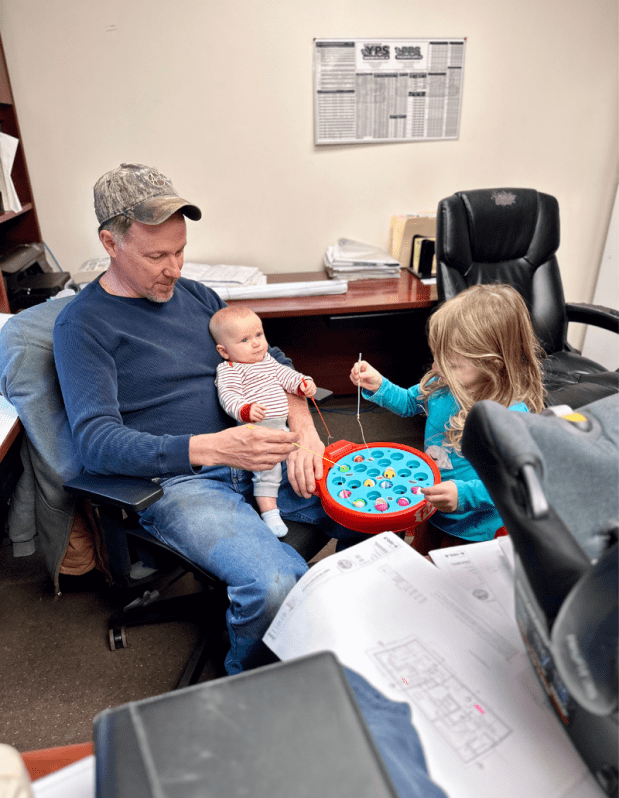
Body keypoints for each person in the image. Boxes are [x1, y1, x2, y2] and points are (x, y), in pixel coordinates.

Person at [53, 163, 361, 675]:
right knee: (275, 585)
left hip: (266, 451)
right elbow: (96, 443)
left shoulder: (195, 295)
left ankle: (346, 639)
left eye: (180, 251)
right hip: (183, 482)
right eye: (157, 256)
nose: (174, 268)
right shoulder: (82, 325)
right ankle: (249, 687)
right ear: (110, 243)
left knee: (381, 513)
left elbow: (270, 360)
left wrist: (303, 430)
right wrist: (216, 449)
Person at [350, 284, 545, 553]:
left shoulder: (509, 416)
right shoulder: (442, 386)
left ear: (492, 364)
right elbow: (408, 402)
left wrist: (464, 494)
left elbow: (514, 483)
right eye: (435, 357)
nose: (435, 368)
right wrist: (379, 385)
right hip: (434, 510)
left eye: (451, 364)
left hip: (476, 530)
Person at [209, 305, 317, 538]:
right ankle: (270, 513)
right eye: (245, 340)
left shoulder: (267, 361)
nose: (257, 343)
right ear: (224, 351)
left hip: (282, 428)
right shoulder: (230, 369)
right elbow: (228, 397)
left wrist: (302, 382)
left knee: (303, 459)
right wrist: (245, 410)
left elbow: (285, 375)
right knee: (267, 472)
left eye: (259, 335)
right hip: (256, 433)